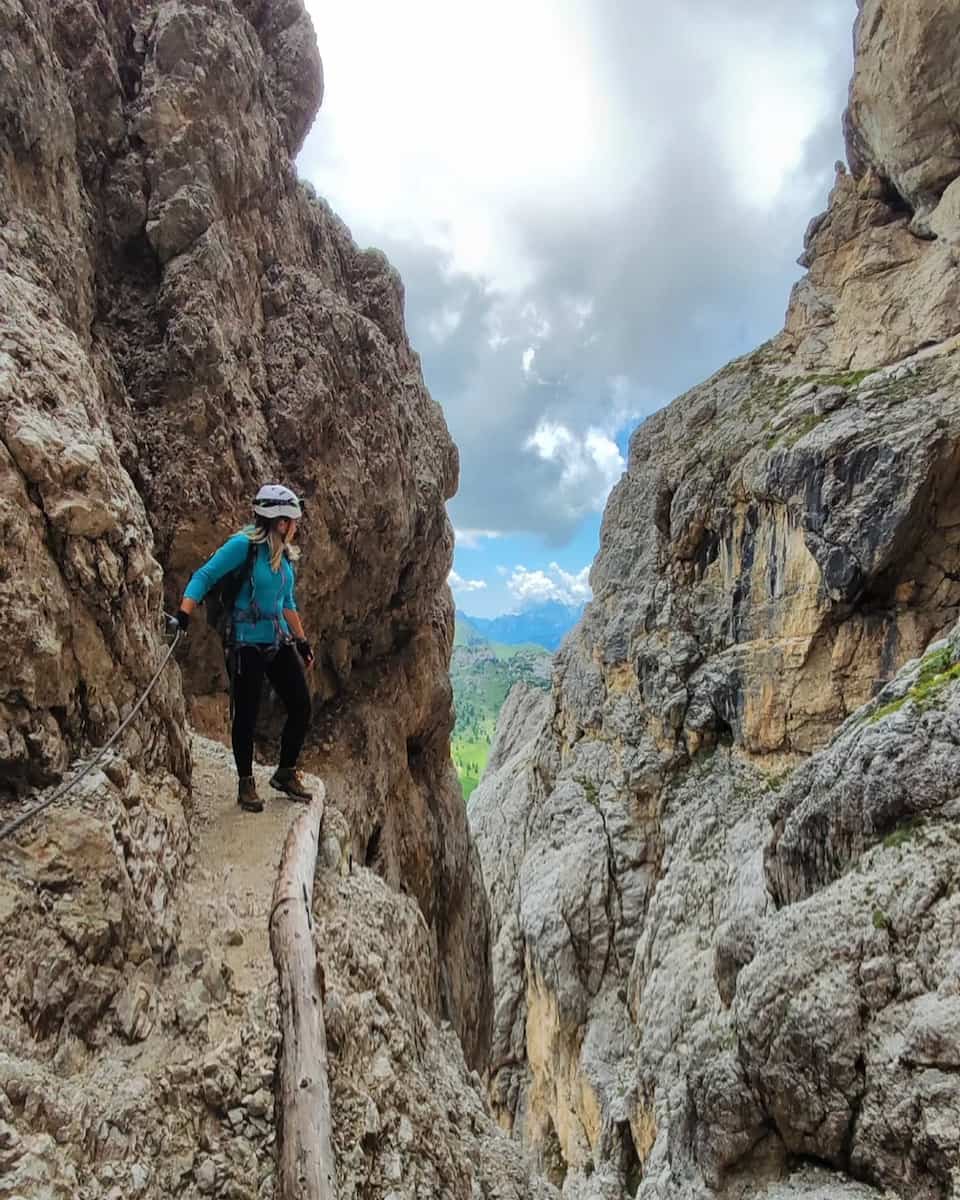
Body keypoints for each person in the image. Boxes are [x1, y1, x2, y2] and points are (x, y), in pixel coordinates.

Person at [171, 484, 315, 813]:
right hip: (246, 643)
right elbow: (205, 575)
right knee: (246, 715)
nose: (296, 526)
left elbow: (287, 602)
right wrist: (183, 613)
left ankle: (285, 773)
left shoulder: (283, 555)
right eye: (293, 520)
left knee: (300, 704)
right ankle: (246, 783)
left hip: (276, 640)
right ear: (280, 522)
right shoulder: (244, 546)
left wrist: (302, 640)